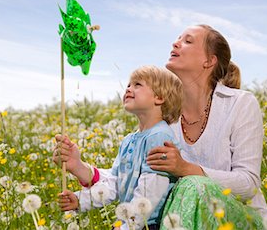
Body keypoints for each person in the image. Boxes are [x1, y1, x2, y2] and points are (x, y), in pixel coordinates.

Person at [144, 24, 267, 229]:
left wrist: (185, 168)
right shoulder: (162, 113)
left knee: (193, 185)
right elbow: (132, 167)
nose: (175, 43)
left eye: (187, 41)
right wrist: (80, 167)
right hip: (181, 218)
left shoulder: (241, 104)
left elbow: (248, 184)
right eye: (178, 38)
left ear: (209, 61)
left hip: (241, 218)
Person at [53, 65, 183, 230]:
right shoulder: (129, 140)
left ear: (159, 97)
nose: (128, 88)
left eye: (138, 85)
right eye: (129, 84)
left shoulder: (160, 137)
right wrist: (81, 200)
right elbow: (114, 183)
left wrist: (127, 226)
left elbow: (150, 194)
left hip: (148, 225)